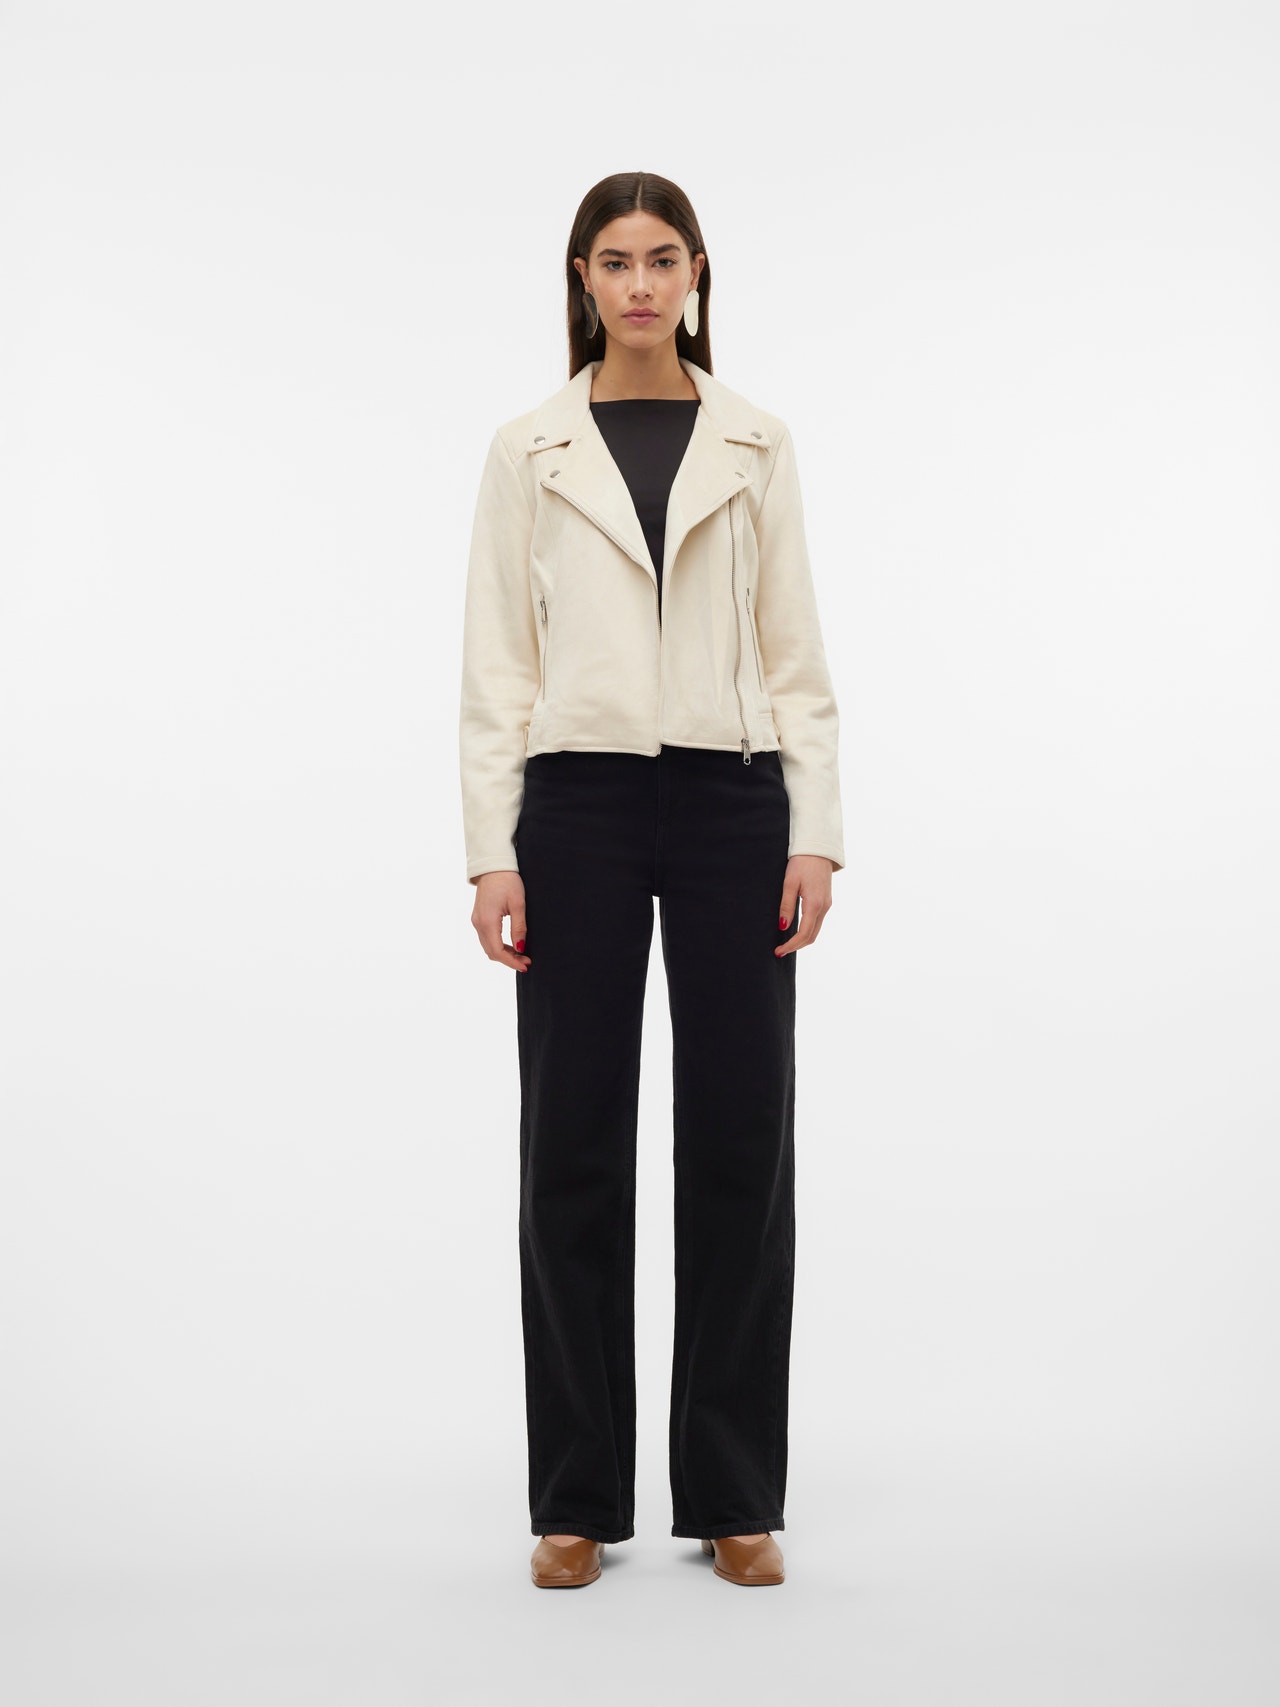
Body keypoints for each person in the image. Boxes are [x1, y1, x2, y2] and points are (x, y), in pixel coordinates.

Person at [458, 171, 846, 1589]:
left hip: (736, 801)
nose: (638, 284)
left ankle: (734, 1495)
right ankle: (575, 1498)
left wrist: (815, 830)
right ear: (581, 277)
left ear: (695, 275)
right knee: (570, 1144)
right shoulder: (529, 449)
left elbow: (795, 646)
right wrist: (492, 849)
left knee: (743, 1139)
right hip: (578, 806)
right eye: (614, 261)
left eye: (662, 259)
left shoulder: (755, 441)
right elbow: (496, 661)